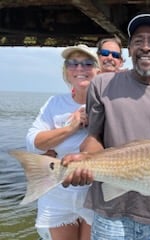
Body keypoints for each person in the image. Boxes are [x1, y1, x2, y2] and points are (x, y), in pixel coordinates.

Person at [61, 13, 150, 240]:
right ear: (129, 50)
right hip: (111, 212)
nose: (146, 47)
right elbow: (95, 137)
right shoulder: (101, 84)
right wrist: (86, 163)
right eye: (138, 41)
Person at [26, 44, 100, 240]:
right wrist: (71, 127)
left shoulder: (108, 104)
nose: (79, 69)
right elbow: (33, 142)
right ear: (66, 71)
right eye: (72, 64)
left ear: (97, 70)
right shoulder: (54, 103)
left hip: (95, 193)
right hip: (58, 194)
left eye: (87, 63)